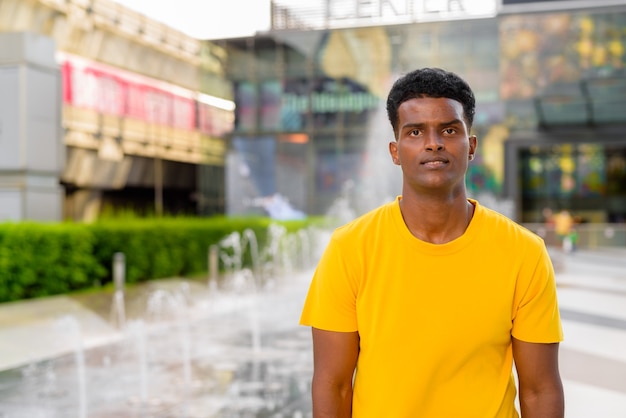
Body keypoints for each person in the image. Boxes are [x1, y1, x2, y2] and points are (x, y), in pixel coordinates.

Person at [300, 68, 564, 417]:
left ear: (471, 146)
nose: (433, 142)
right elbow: (332, 384)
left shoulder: (524, 252)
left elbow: (539, 389)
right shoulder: (349, 248)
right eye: (415, 131)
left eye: (449, 130)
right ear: (395, 151)